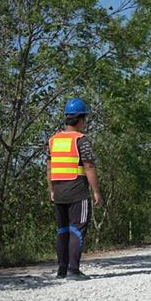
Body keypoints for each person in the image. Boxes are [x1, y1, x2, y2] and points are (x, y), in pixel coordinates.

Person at [47, 98, 102, 280]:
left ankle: (62, 270)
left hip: (59, 191)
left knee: (62, 231)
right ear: (81, 119)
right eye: (85, 118)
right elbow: (89, 167)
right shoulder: (81, 140)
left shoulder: (53, 140)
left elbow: (49, 168)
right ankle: (73, 270)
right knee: (77, 229)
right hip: (77, 191)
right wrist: (96, 192)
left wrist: (52, 190)